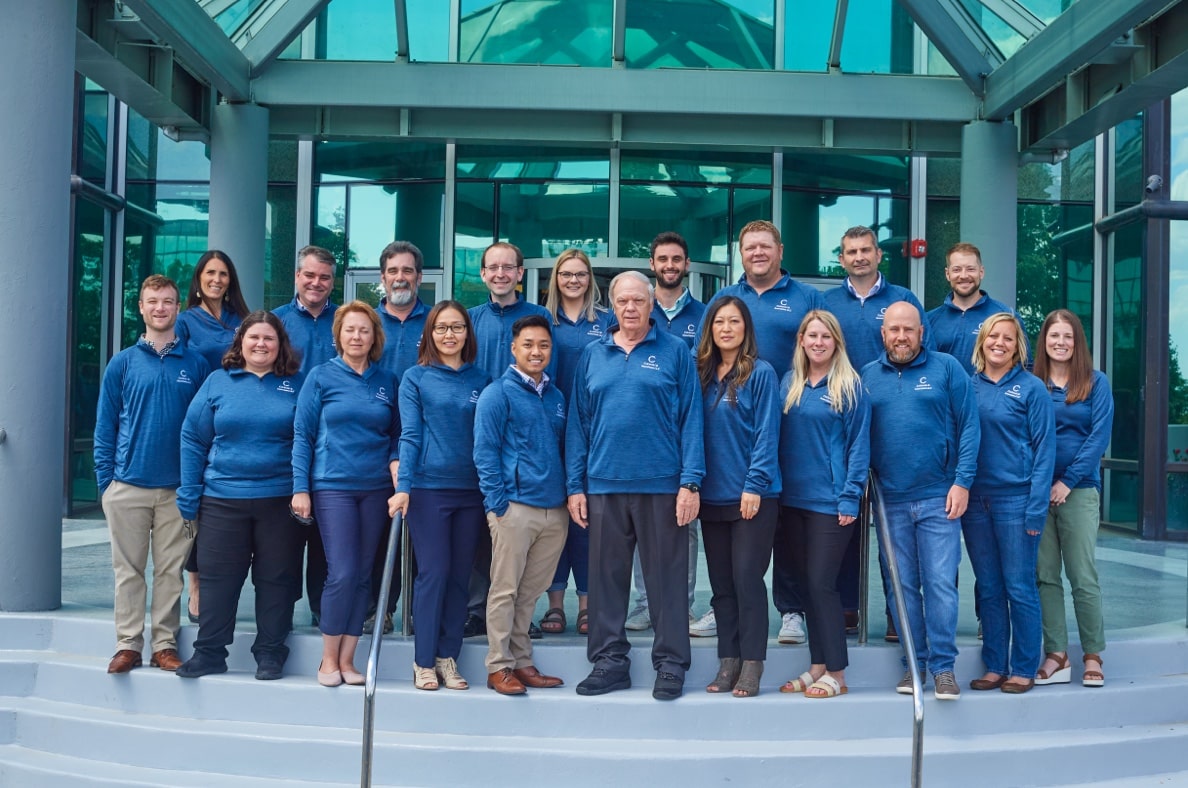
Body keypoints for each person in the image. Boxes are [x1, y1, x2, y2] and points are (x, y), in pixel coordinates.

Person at [567, 271, 704, 701]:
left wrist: (690, 482)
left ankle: (670, 664)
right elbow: (578, 424)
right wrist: (576, 485)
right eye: (622, 301)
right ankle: (609, 662)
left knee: (666, 581)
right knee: (606, 581)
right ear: (612, 305)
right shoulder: (593, 354)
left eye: (638, 301)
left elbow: (691, 420)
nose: (630, 308)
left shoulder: (676, 352)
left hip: (663, 486)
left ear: (650, 305)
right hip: (604, 485)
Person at [705, 220, 823, 647]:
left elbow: (821, 345)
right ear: (740, 253)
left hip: (794, 420)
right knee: (738, 533)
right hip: (739, 427)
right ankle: (725, 611)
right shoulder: (725, 298)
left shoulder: (805, 298)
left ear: (780, 250)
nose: (757, 253)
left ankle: (790, 609)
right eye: (749, 247)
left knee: (785, 519)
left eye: (765, 246)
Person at [175, 311, 305, 680]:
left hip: (280, 500)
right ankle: (210, 653)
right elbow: (192, 436)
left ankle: (270, 653)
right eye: (254, 338)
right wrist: (190, 492)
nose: (261, 344)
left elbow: (309, 440)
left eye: (269, 338)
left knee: (276, 579)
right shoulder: (218, 382)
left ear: (280, 345)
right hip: (221, 498)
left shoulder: (296, 384)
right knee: (218, 579)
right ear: (241, 343)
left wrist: (303, 489)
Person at [861, 301, 979, 700]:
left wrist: (962, 482)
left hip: (938, 498)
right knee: (902, 589)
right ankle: (914, 665)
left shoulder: (947, 369)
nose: (901, 337)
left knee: (941, 585)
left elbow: (969, 428)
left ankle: (943, 668)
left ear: (921, 332)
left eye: (908, 330)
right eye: (894, 330)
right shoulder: (867, 377)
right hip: (889, 501)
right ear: (883, 334)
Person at [94, 274, 209, 674]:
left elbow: (202, 430)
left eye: (168, 301)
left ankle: (163, 644)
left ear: (179, 308)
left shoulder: (195, 365)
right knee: (127, 572)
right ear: (140, 308)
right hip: (127, 487)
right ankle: (128, 644)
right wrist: (106, 485)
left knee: (170, 573)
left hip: (177, 489)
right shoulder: (122, 363)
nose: (160, 308)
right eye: (152, 301)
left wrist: (194, 485)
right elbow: (105, 426)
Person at [822, 225, 931, 642]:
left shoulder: (903, 300)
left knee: (893, 532)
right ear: (842, 258)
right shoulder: (827, 301)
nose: (859, 256)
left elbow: (925, 351)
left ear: (878, 255)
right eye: (851, 251)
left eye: (866, 249)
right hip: (843, 426)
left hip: (894, 428)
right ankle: (847, 607)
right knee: (844, 520)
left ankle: (894, 612)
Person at [291, 301, 400, 687]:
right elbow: (302, 436)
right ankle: (327, 660)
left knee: (364, 575)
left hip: (375, 489)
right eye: (350, 329)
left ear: (375, 338)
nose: (357, 336)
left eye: (364, 330)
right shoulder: (320, 377)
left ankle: (350, 661)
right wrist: (300, 488)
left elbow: (396, 436)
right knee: (342, 572)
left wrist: (395, 464)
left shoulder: (387, 381)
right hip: (332, 485)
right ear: (338, 335)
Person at [389, 301, 491, 691]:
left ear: (468, 333)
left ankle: (448, 656)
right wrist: (404, 488)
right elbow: (410, 435)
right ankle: (423, 659)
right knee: (433, 573)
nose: (449, 335)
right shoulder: (415, 378)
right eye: (441, 328)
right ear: (429, 334)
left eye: (458, 327)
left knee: (460, 578)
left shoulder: (482, 380)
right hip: (429, 489)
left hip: (471, 491)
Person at [777, 310, 870, 700]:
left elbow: (859, 448)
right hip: (790, 501)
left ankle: (837, 672)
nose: (818, 342)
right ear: (801, 340)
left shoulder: (850, 387)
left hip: (831, 503)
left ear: (836, 342)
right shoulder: (790, 383)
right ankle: (816, 666)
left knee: (822, 584)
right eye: (811, 335)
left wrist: (850, 495)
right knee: (804, 587)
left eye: (825, 337)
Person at [474, 315, 569, 695]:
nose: (536, 351)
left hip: (554, 509)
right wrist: (498, 504)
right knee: (505, 589)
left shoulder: (557, 397)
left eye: (543, 345)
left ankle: (522, 661)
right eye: (528, 344)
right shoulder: (498, 394)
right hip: (514, 507)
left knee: (531, 591)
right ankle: (498, 665)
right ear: (514, 349)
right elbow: (485, 451)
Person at [963, 313, 1055, 694]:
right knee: (988, 587)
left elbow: (1045, 450)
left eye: (1008, 338)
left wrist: (1036, 507)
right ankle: (995, 665)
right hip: (974, 503)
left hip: (1016, 502)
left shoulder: (1032, 389)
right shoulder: (968, 386)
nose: (999, 343)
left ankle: (1023, 668)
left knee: (1019, 586)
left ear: (1018, 346)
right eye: (993, 336)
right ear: (982, 341)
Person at [465, 242, 553, 638]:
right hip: (479, 435)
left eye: (508, 267)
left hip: (526, 443)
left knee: (518, 543)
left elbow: (550, 377)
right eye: (492, 268)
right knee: (482, 533)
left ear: (520, 273)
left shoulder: (538, 317)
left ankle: (520, 619)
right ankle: (474, 610)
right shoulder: (469, 320)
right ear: (482, 274)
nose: (500, 274)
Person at [695, 296, 780, 698]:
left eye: (734, 322)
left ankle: (752, 663)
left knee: (748, 580)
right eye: (719, 322)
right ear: (710, 329)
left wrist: (754, 485)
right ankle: (727, 660)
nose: (726, 328)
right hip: (711, 496)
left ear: (746, 329)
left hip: (752, 496)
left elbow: (767, 434)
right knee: (722, 585)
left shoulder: (760, 374)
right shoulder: (701, 373)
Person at [629, 231, 709, 636]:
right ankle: (645, 605)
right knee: (644, 531)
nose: (670, 266)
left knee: (684, 528)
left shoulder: (706, 314)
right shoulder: (635, 312)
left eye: (677, 259)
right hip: (643, 441)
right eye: (663, 259)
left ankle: (682, 605)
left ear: (687, 264)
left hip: (686, 434)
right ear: (653, 264)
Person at [1032, 310, 1114, 688]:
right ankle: (1057, 654)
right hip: (1036, 492)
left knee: (1082, 575)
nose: (1060, 342)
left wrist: (1067, 480)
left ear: (1077, 342)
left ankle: (1093, 655)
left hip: (1078, 490)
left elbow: (1098, 437)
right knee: (1045, 576)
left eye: (1067, 336)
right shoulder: (1033, 383)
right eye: (1053, 336)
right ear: (1044, 342)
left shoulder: (1096, 383)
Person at [175, 250, 252, 625]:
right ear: (199, 278)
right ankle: (196, 583)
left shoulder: (242, 319)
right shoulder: (186, 320)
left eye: (223, 273)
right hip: (199, 419)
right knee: (199, 508)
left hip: (235, 424)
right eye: (210, 273)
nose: (217, 280)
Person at [540, 249, 612, 637]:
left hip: (592, 429)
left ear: (590, 279)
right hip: (548, 428)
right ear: (556, 278)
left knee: (586, 520)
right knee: (554, 520)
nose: (573, 280)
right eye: (566, 274)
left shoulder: (607, 321)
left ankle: (586, 604)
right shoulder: (541, 321)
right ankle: (554, 605)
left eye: (580, 274)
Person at [366, 240, 431, 636]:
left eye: (408, 271)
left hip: (425, 439)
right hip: (374, 438)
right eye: (393, 271)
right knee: (378, 533)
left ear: (419, 277)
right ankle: (381, 608)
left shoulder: (435, 320)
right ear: (382, 277)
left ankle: (417, 611)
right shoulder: (367, 323)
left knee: (424, 534)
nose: (400, 278)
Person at [274, 245, 339, 627]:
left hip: (334, 441)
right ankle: (281, 609)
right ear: (297, 276)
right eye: (309, 275)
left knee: (325, 533)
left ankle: (321, 608)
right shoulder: (277, 322)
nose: (316, 283)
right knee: (285, 533)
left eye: (324, 277)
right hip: (286, 439)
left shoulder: (345, 320)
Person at [927, 242, 1024, 376]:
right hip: (945, 396)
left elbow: (1024, 365)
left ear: (981, 272)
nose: (964, 275)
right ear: (947, 274)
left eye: (970, 269)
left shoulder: (1006, 315)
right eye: (956, 270)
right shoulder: (930, 320)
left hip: (990, 396)